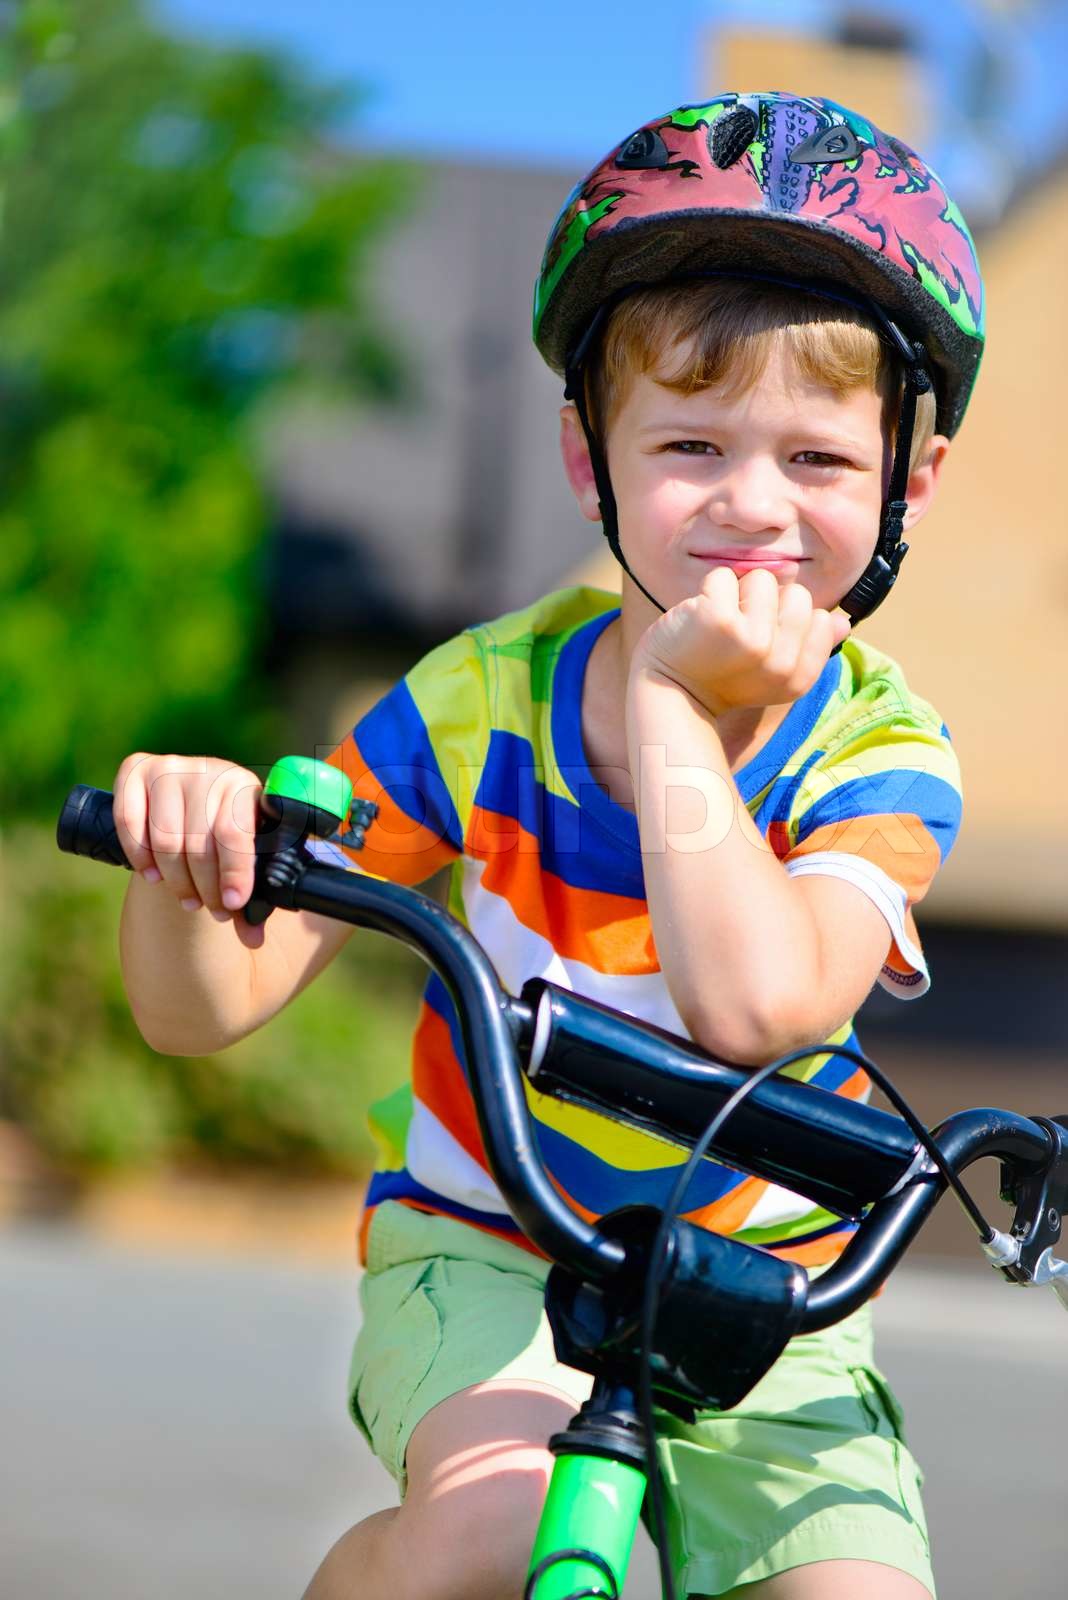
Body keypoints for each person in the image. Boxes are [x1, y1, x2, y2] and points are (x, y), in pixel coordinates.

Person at [114, 92, 984, 1599]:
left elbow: (756, 1007)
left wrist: (672, 716)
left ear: (910, 484)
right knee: (492, 1535)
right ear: (590, 462)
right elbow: (203, 1012)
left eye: (823, 463)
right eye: (692, 442)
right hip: (489, 1240)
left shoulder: (878, 755)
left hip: (763, 1278)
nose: (753, 509)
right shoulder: (472, 708)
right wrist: (181, 858)